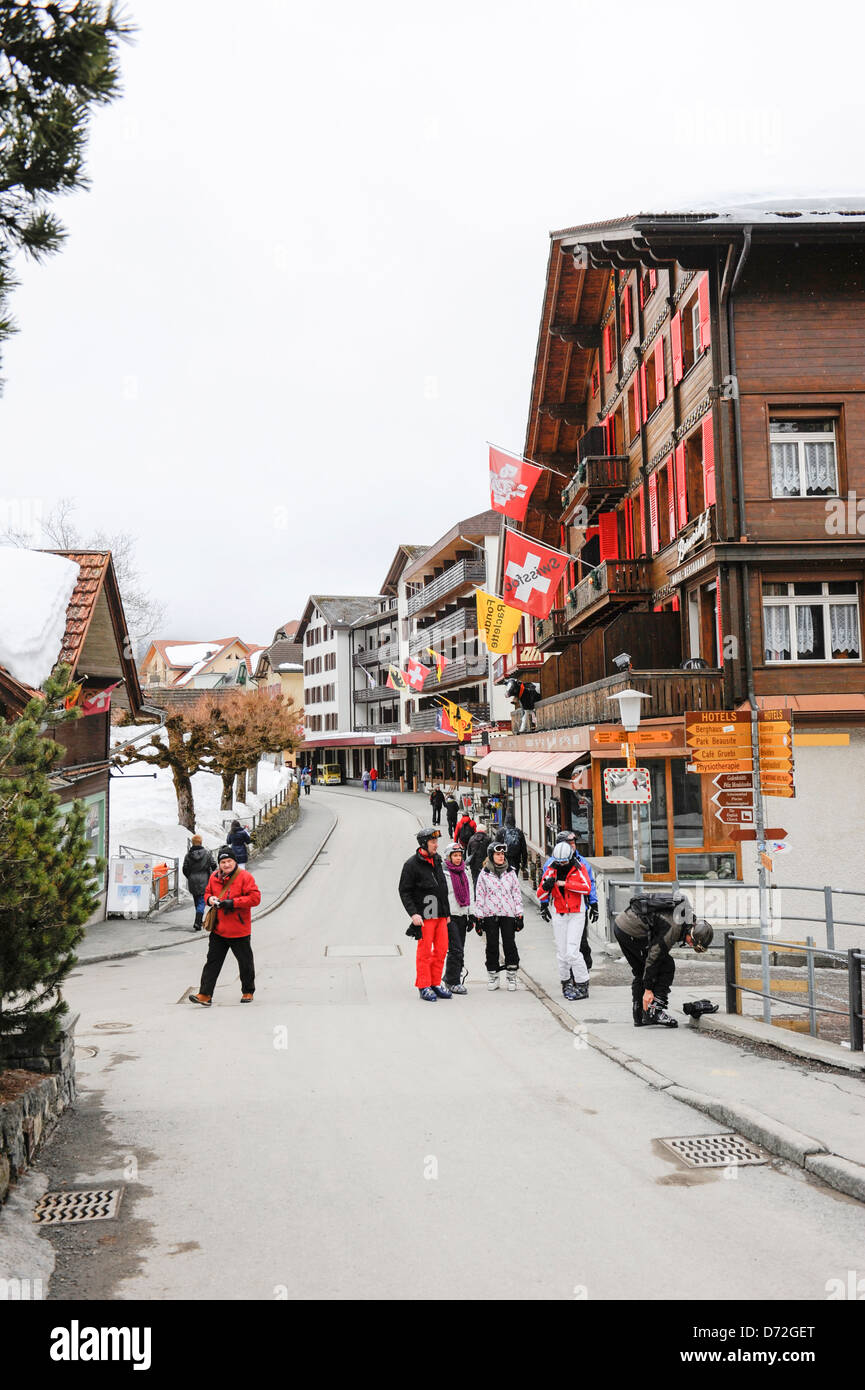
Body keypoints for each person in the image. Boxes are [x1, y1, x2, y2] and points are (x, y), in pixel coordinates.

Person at [613, 892, 713, 1027]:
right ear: (692, 933)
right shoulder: (675, 927)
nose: (690, 945)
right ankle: (655, 1011)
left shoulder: (685, 918)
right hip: (632, 931)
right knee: (666, 966)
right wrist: (648, 989)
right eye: (692, 943)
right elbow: (654, 955)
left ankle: (641, 1016)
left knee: (641, 971)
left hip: (621, 925)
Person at [188, 847, 262, 1006]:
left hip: (238, 929)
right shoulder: (214, 877)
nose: (226, 864)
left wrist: (233, 903)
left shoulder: (244, 877)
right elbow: (207, 893)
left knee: (245, 962)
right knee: (212, 962)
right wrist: (210, 900)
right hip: (219, 929)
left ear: (234, 862)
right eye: (223, 862)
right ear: (219, 864)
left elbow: (255, 898)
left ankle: (248, 991)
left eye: (229, 861)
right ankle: (205, 994)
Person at [398, 828, 452, 1001]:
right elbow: (404, 891)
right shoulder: (411, 865)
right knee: (425, 952)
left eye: (436, 842)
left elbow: (443, 887)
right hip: (425, 916)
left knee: (442, 950)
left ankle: (436, 983)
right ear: (424, 844)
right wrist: (413, 914)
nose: (436, 845)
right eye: (433, 842)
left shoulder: (437, 859)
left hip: (441, 915)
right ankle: (424, 985)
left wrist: (447, 912)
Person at [537, 841, 595, 1002]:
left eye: (564, 861)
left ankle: (582, 984)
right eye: (559, 861)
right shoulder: (550, 870)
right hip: (559, 913)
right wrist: (546, 887)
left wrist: (565, 884)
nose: (561, 864)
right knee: (562, 954)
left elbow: (586, 887)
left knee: (572, 952)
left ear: (569, 858)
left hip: (576, 912)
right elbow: (540, 895)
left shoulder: (578, 868)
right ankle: (566, 983)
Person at [475, 840, 524, 991]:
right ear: (491, 856)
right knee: (492, 946)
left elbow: (516, 893)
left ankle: (511, 976)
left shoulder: (511, 872)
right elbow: (480, 895)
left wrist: (519, 914)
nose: (501, 857)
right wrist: (478, 917)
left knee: (510, 945)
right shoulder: (484, 874)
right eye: (498, 854)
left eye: (502, 854)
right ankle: (493, 975)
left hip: (508, 914)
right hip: (490, 914)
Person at [441, 841, 475, 993]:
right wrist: (444, 914)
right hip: (450, 916)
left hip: (463, 914)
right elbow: (442, 895)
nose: (457, 858)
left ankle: (452, 975)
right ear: (448, 857)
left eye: (459, 855)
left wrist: (472, 914)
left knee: (460, 947)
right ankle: (452, 981)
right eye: (454, 855)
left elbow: (470, 893)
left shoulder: (465, 871)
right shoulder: (444, 873)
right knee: (456, 949)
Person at [182, 835, 216, 931]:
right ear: (201, 842)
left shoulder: (188, 855)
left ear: (192, 843)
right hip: (204, 879)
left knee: (197, 900)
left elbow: (185, 869)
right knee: (202, 901)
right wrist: (209, 872)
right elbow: (214, 865)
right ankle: (197, 922)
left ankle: (199, 919)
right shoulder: (207, 853)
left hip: (192, 880)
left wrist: (190, 876)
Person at [502, 812, 528, 878]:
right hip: (516, 859)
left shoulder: (501, 832)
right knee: (514, 877)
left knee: (505, 877)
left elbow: (495, 847)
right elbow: (524, 849)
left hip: (504, 860)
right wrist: (524, 863)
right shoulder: (519, 832)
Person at [466, 821, 491, 887]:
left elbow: (469, 852)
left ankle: (476, 896)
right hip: (485, 865)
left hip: (474, 865)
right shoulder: (487, 839)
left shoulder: (471, 838)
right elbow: (490, 853)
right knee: (485, 883)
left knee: (475, 882)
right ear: (484, 831)